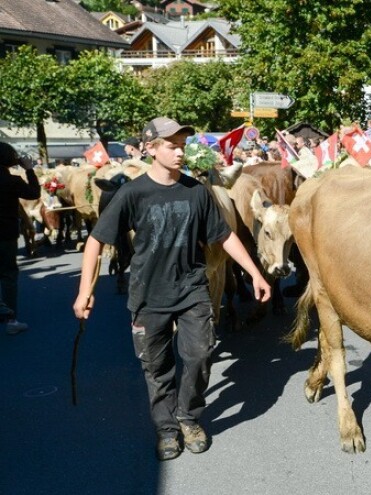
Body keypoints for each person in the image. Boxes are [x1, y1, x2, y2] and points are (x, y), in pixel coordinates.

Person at [72, 117, 271, 461]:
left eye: (182, 146)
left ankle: (189, 417)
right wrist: (85, 290)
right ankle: (166, 430)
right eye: (171, 146)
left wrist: (255, 272)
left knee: (199, 355)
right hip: (148, 296)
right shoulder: (132, 193)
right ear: (150, 148)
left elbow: (223, 236)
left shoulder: (197, 191)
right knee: (157, 367)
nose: (180, 152)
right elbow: (95, 240)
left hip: (192, 289)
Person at [0, 143, 40, 334]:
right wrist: (29, 170)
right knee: (8, 275)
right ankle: (11, 320)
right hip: (5, 233)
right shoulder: (12, 181)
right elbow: (34, 194)